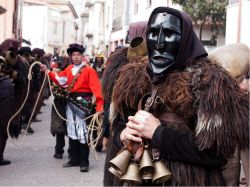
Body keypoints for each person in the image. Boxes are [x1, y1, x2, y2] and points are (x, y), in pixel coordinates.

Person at [106, 7, 249, 186]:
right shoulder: (133, 81)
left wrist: (159, 134)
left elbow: (216, 154)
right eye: (153, 33)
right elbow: (117, 126)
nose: (158, 43)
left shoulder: (209, 84)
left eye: (169, 34)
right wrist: (123, 136)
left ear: (185, 39)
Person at [40, 43, 104, 172]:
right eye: (73, 55)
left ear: (82, 56)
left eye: (78, 55)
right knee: (72, 131)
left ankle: (84, 161)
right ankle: (74, 159)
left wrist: (99, 107)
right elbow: (60, 80)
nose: (75, 57)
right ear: (71, 56)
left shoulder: (89, 70)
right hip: (70, 103)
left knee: (82, 133)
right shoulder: (69, 69)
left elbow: (97, 91)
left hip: (83, 104)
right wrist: (47, 71)